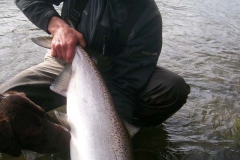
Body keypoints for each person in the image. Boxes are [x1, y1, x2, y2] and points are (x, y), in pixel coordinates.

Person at [1, 0, 190, 126]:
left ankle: (130, 132)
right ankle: (43, 130)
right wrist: (58, 27)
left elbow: (126, 84)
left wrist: (114, 130)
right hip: (67, 60)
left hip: (116, 72)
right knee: (3, 105)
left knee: (172, 88)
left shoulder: (147, 16)